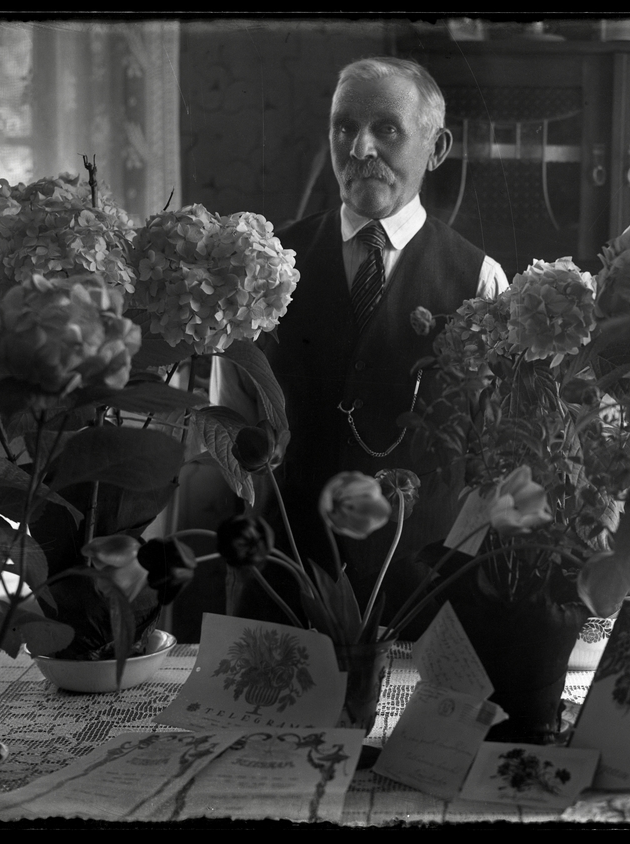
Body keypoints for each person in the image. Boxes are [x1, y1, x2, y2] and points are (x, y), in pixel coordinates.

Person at [210, 56, 508, 638]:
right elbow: (228, 428)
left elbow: (492, 461)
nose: (360, 147)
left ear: (437, 148)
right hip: (283, 590)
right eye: (344, 127)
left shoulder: (480, 282)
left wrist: (456, 573)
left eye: (387, 128)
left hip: (419, 598)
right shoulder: (263, 268)